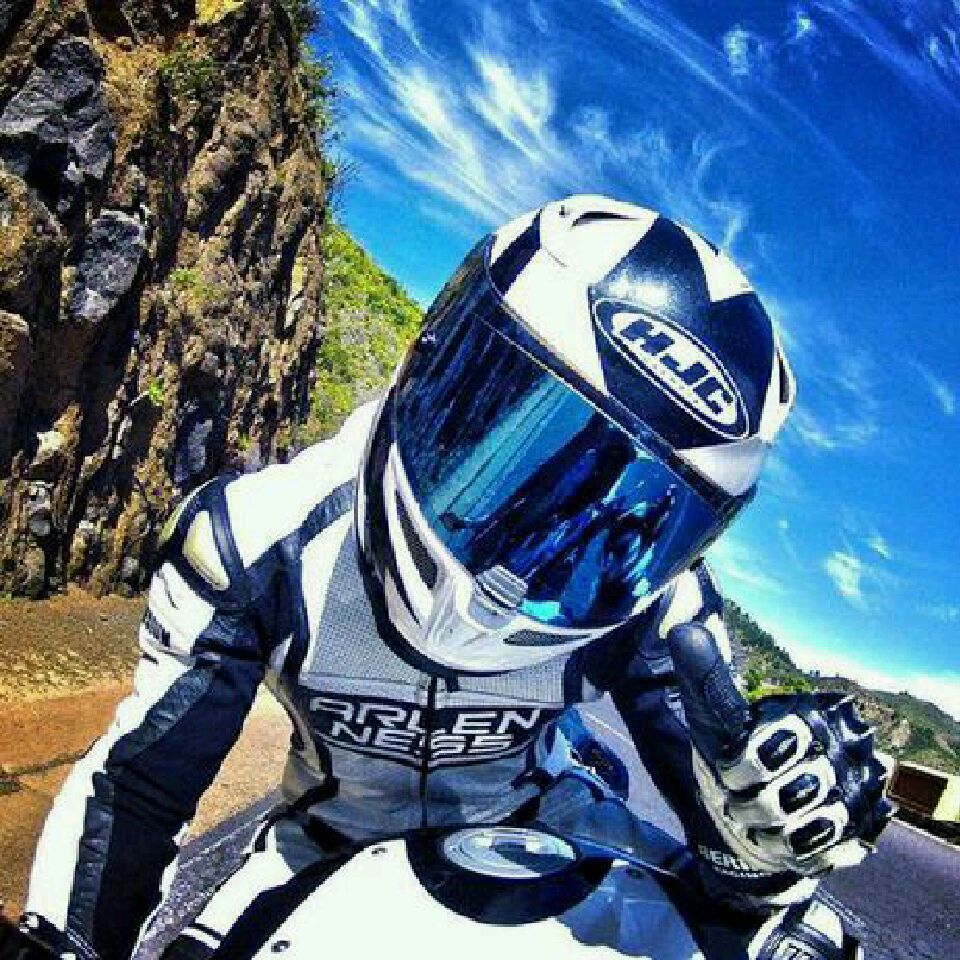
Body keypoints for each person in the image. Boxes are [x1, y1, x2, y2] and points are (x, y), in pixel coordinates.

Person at [3, 196, 891, 960]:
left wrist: (755, 849)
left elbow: (725, 828)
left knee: (804, 942)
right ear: (431, 356)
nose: (544, 534)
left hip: (548, 823)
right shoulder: (257, 539)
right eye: (524, 444)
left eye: (623, 516)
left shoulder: (658, 604)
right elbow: (142, 787)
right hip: (323, 844)